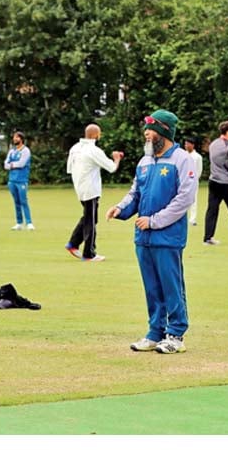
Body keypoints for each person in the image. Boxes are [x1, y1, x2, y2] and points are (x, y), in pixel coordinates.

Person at [106, 109, 197, 354]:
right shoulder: (144, 162)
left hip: (167, 237)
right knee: (152, 287)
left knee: (171, 285)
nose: (146, 135)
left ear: (163, 132)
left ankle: (176, 334)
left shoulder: (182, 158)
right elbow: (135, 193)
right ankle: (155, 332)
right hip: (143, 238)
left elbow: (185, 198)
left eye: (151, 131)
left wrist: (155, 221)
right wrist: (119, 208)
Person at [65, 124, 123, 262]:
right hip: (91, 189)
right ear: (97, 135)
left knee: (89, 217)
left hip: (79, 187)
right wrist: (117, 158)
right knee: (90, 220)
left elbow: (70, 169)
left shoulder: (74, 148)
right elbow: (111, 168)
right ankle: (88, 253)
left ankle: (73, 244)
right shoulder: (94, 150)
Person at [3, 131, 34, 230]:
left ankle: (29, 222)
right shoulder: (12, 151)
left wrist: (11, 165)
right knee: (16, 202)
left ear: (21, 139)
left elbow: (21, 164)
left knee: (23, 201)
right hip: (12, 180)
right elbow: (5, 164)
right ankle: (19, 223)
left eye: (17, 137)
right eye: (14, 137)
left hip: (21, 180)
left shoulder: (25, 151)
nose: (15, 139)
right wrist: (11, 165)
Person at [184, 137, 203, 226]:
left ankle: (192, 219)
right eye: (185, 144)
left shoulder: (197, 157)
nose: (186, 146)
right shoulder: (183, 155)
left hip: (193, 181)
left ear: (192, 145)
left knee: (193, 200)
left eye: (188, 144)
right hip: (183, 181)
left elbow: (199, 170)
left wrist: (194, 180)